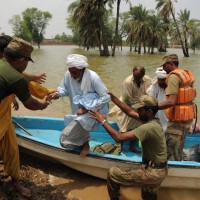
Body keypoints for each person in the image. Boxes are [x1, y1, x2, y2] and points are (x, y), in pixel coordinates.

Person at [89, 94, 167, 200]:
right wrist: (113, 97)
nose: (138, 112)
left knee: (113, 174)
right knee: (148, 196)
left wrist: (103, 121)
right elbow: (129, 112)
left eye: (140, 110)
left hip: (153, 172)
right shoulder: (154, 121)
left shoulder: (148, 127)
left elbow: (119, 137)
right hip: (160, 170)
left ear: (149, 112)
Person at [0, 37, 51, 197]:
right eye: (28, 61)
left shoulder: (5, 66)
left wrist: (45, 89)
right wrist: (43, 103)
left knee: (12, 150)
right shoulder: (16, 79)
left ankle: (15, 181)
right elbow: (31, 104)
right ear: (22, 60)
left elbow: (20, 78)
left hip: (4, 117)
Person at [50, 54, 110, 156]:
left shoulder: (93, 77)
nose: (72, 75)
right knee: (77, 124)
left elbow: (106, 97)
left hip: (95, 110)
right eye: (70, 71)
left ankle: (84, 143)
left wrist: (86, 109)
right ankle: (85, 143)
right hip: (78, 110)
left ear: (82, 69)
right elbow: (63, 89)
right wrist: (56, 95)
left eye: (74, 72)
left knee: (64, 139)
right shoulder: (68, 75)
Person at [158, 54, 196, 161]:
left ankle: (171, 173)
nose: (163, 68)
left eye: (165, 66)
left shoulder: (173, 77)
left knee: (170, 152)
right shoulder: (184, 74)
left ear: (171, 64)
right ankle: (179, 164)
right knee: (178, 148)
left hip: (177, 122)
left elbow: (171, 101)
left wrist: (154, 107)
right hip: (186, 119)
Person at [114, 66, 152, 152]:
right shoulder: (127, 82)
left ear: (143, 75)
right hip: (127, 106)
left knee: (136, 127)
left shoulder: (148, 80)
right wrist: (140, 104)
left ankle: (132, 147)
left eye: (139, 77)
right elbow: (127, 99)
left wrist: (144, 105)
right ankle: (120, 146)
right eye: (135, 77)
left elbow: (149, 93)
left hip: (141, 106)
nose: (137, 79)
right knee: (124, 127)